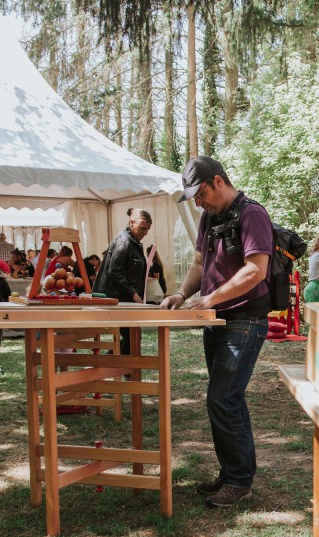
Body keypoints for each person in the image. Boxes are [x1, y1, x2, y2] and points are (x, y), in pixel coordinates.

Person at [160, 156, 271, 509]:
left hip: (246, 320)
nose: (197, 201)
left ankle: (240, 480)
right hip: (217, 319)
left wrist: (211, 297)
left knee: (222, 398)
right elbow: (198, 264)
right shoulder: (209, 217)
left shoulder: (252, 214)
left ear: (219, 181)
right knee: (225, 398)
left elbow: (256, 271)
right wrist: (181, 293)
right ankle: (232, 473)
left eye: (200, 193)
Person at [94, 208, 151, 353]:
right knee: (132, 338)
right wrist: (133, 293)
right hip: (118, 299)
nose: (145, 233)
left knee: (133, 337)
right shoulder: (124, 241)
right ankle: (119, 366)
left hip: (124, 299)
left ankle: (117, 365)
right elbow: (115, 271)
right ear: (132, 223)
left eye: (148, 229)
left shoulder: (134, 241)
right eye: (143, 228)